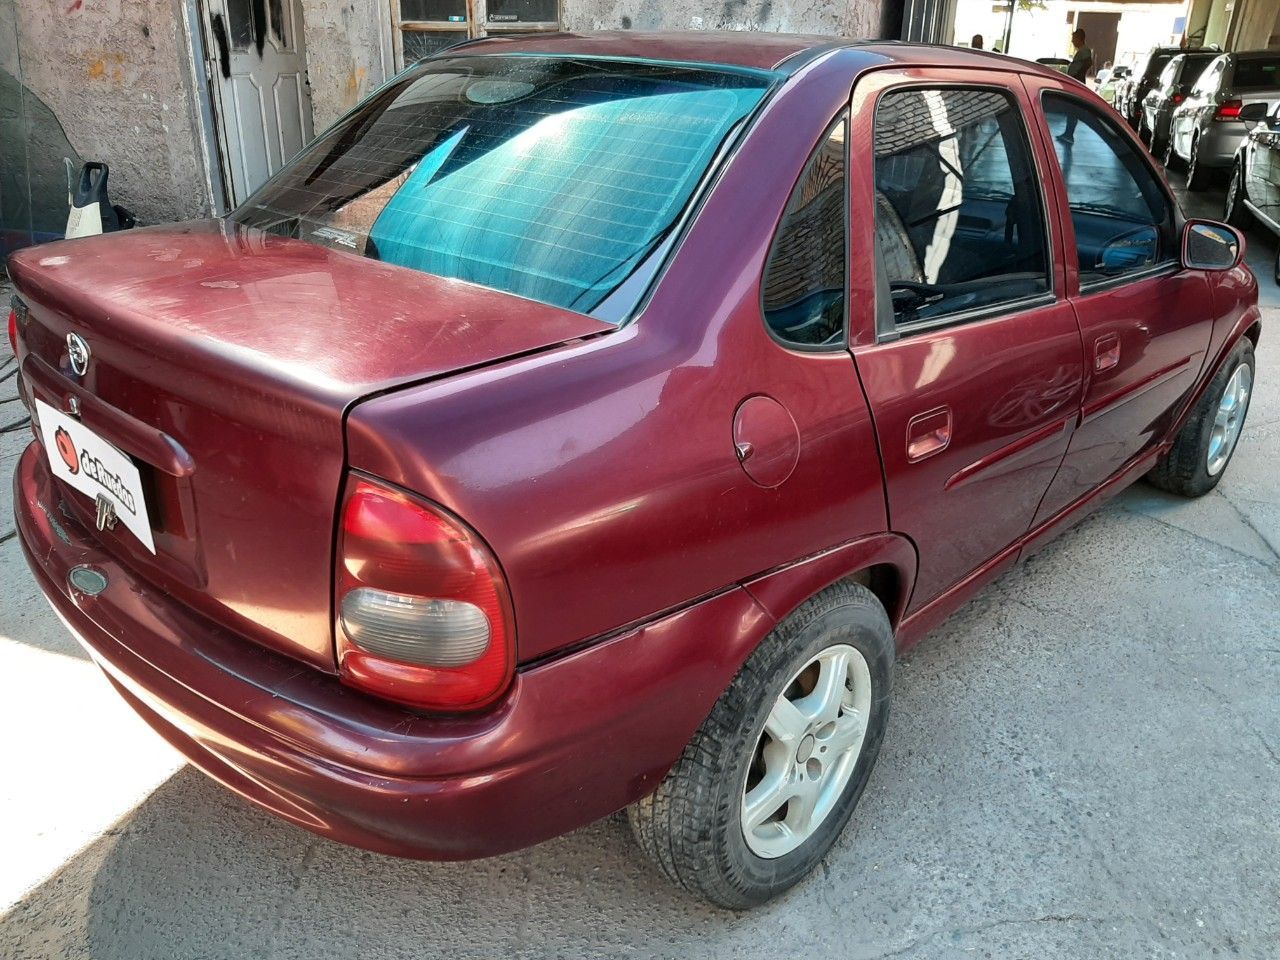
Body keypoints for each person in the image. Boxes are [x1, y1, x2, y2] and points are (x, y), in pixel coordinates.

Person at [1058, 28, 1094, 143]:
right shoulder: (1082, 51)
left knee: (1073, 110)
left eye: (1074, 39)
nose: (1072, 41)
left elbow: (1088, 63)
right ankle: (1068, 133)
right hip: (1073, 80)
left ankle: (1069, 134)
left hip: (1075, 81)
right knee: (1071, 110)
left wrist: (1077, 76)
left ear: (1079, 38)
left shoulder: (1085, 51)